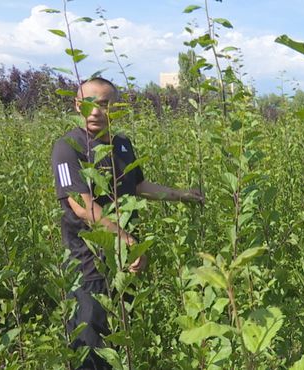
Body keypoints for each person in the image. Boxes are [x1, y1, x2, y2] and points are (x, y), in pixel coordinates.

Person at [51, 77, 204, 370]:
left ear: (115, 108)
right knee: (90, 345)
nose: (95, 111)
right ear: (76, 105)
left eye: (104, 104)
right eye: (88, 103)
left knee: (118, 340)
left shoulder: (122, 144)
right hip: (87, 263)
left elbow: (139, 185)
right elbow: (81, 205)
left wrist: (181, 195)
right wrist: (127, 240)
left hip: (123, 264)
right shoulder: (68, 146)